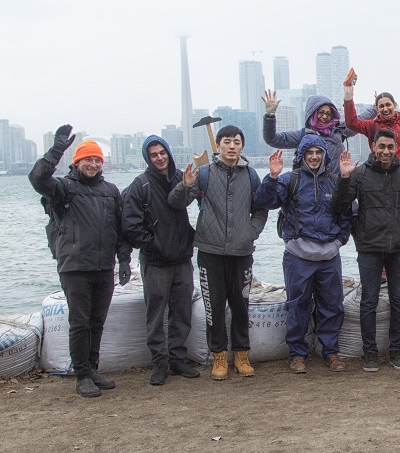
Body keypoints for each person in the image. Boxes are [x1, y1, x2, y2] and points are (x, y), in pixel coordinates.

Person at [29, 125, 132, 397]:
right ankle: (82, 375)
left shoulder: (111, 191)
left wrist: (123, 261)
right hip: (74, 267)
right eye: (88, 159)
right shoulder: (63, 188)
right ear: (77, 161)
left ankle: (93, 368)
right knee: (80, 322)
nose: (93, 164)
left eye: (98, 159)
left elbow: (119, 230)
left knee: (97, 322)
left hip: (103, 267)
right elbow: (38, 179)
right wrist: (57, 150)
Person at [169, 125, 268, 380]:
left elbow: (260, 210)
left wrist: (251, 232)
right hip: (210, 252)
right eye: (226, 141)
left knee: (240, 304)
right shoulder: (203, 174)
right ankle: (219, 358)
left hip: (242, 251)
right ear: (219, 146)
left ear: (242, 146)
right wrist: (184, 186)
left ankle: (242, 355)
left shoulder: (251, 176)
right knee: (214, 307)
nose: (231, 146)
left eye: (236, 141)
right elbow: (176, 204)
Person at [253, 134, 351, 373]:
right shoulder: (290, 180)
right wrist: (273, 176)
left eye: (319, 152)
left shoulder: (335, 182)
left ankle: (331, 352)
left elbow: (347, 213)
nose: (315, 157)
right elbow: (264, 201)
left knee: (332, 305)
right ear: (302, 156)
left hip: (328, 255)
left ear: (325, 156)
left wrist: (339, 242)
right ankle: (297, 354)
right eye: (310, 153)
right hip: (298, 257)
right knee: (297, 306)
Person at [334, 129, 400, 372]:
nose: (386, 151)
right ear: (373, 146)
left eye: (390, 147)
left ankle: (396, 351)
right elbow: (340, 206)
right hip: (370, 248)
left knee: (399, 301)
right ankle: (369, 353)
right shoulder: (360, 174)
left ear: (396, 148)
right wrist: (344, 178)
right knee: (368, 301)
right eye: (381, 146)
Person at [121, 135, 199, 385]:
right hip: (155, 262)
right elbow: (130, 225)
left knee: (182, 312)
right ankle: (159, 362)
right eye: (154, 154)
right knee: (156, 315)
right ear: (148, 158)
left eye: (162, 152)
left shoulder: (180, 178)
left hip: (182, 259)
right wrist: (153, 245)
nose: (159, 157)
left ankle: (177, 359)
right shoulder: (140, 185)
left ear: (169, 152)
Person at [261, 90, 376, 175]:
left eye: (328, 113)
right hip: (310, 190)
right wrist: (270, 115)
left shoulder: (339, 130)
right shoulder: (303, 135)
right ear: (313, 113)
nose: (324, 116)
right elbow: (272, 139)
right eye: (320, 112)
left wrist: (377, 106)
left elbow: (359, 120)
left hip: (335, 187)